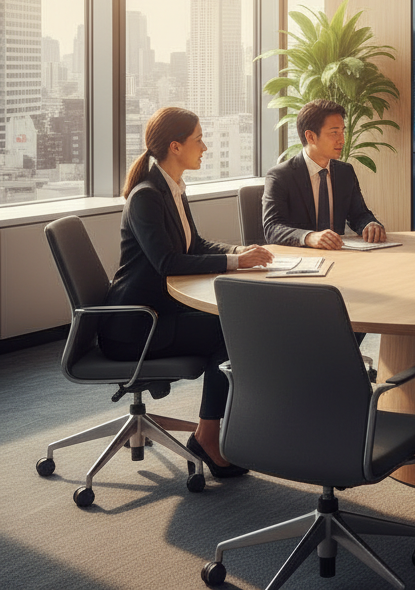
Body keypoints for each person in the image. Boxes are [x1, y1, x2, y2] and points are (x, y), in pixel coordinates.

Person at [99, 107, 274, 479]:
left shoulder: (172, 188)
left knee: (232, 328)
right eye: (198, 139)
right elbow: (167, 262)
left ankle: (211, 431)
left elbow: (193, 246)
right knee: (235, 333)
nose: (205, 147)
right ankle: (207, 437)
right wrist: (235, 265)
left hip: (160, 313)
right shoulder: (147, 196)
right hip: (136, 326)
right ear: (175, 147)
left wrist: (235, 253)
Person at [262, 99, 387, 249]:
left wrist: (370, 225)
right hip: (300, 259)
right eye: (334, 133)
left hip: (340, 257)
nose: (342, 140)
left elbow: (359, 215)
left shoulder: (345, 172)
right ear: (310, 137)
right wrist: (308, 237)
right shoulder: (280, 176)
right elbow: (272, 228)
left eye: (342, 132)